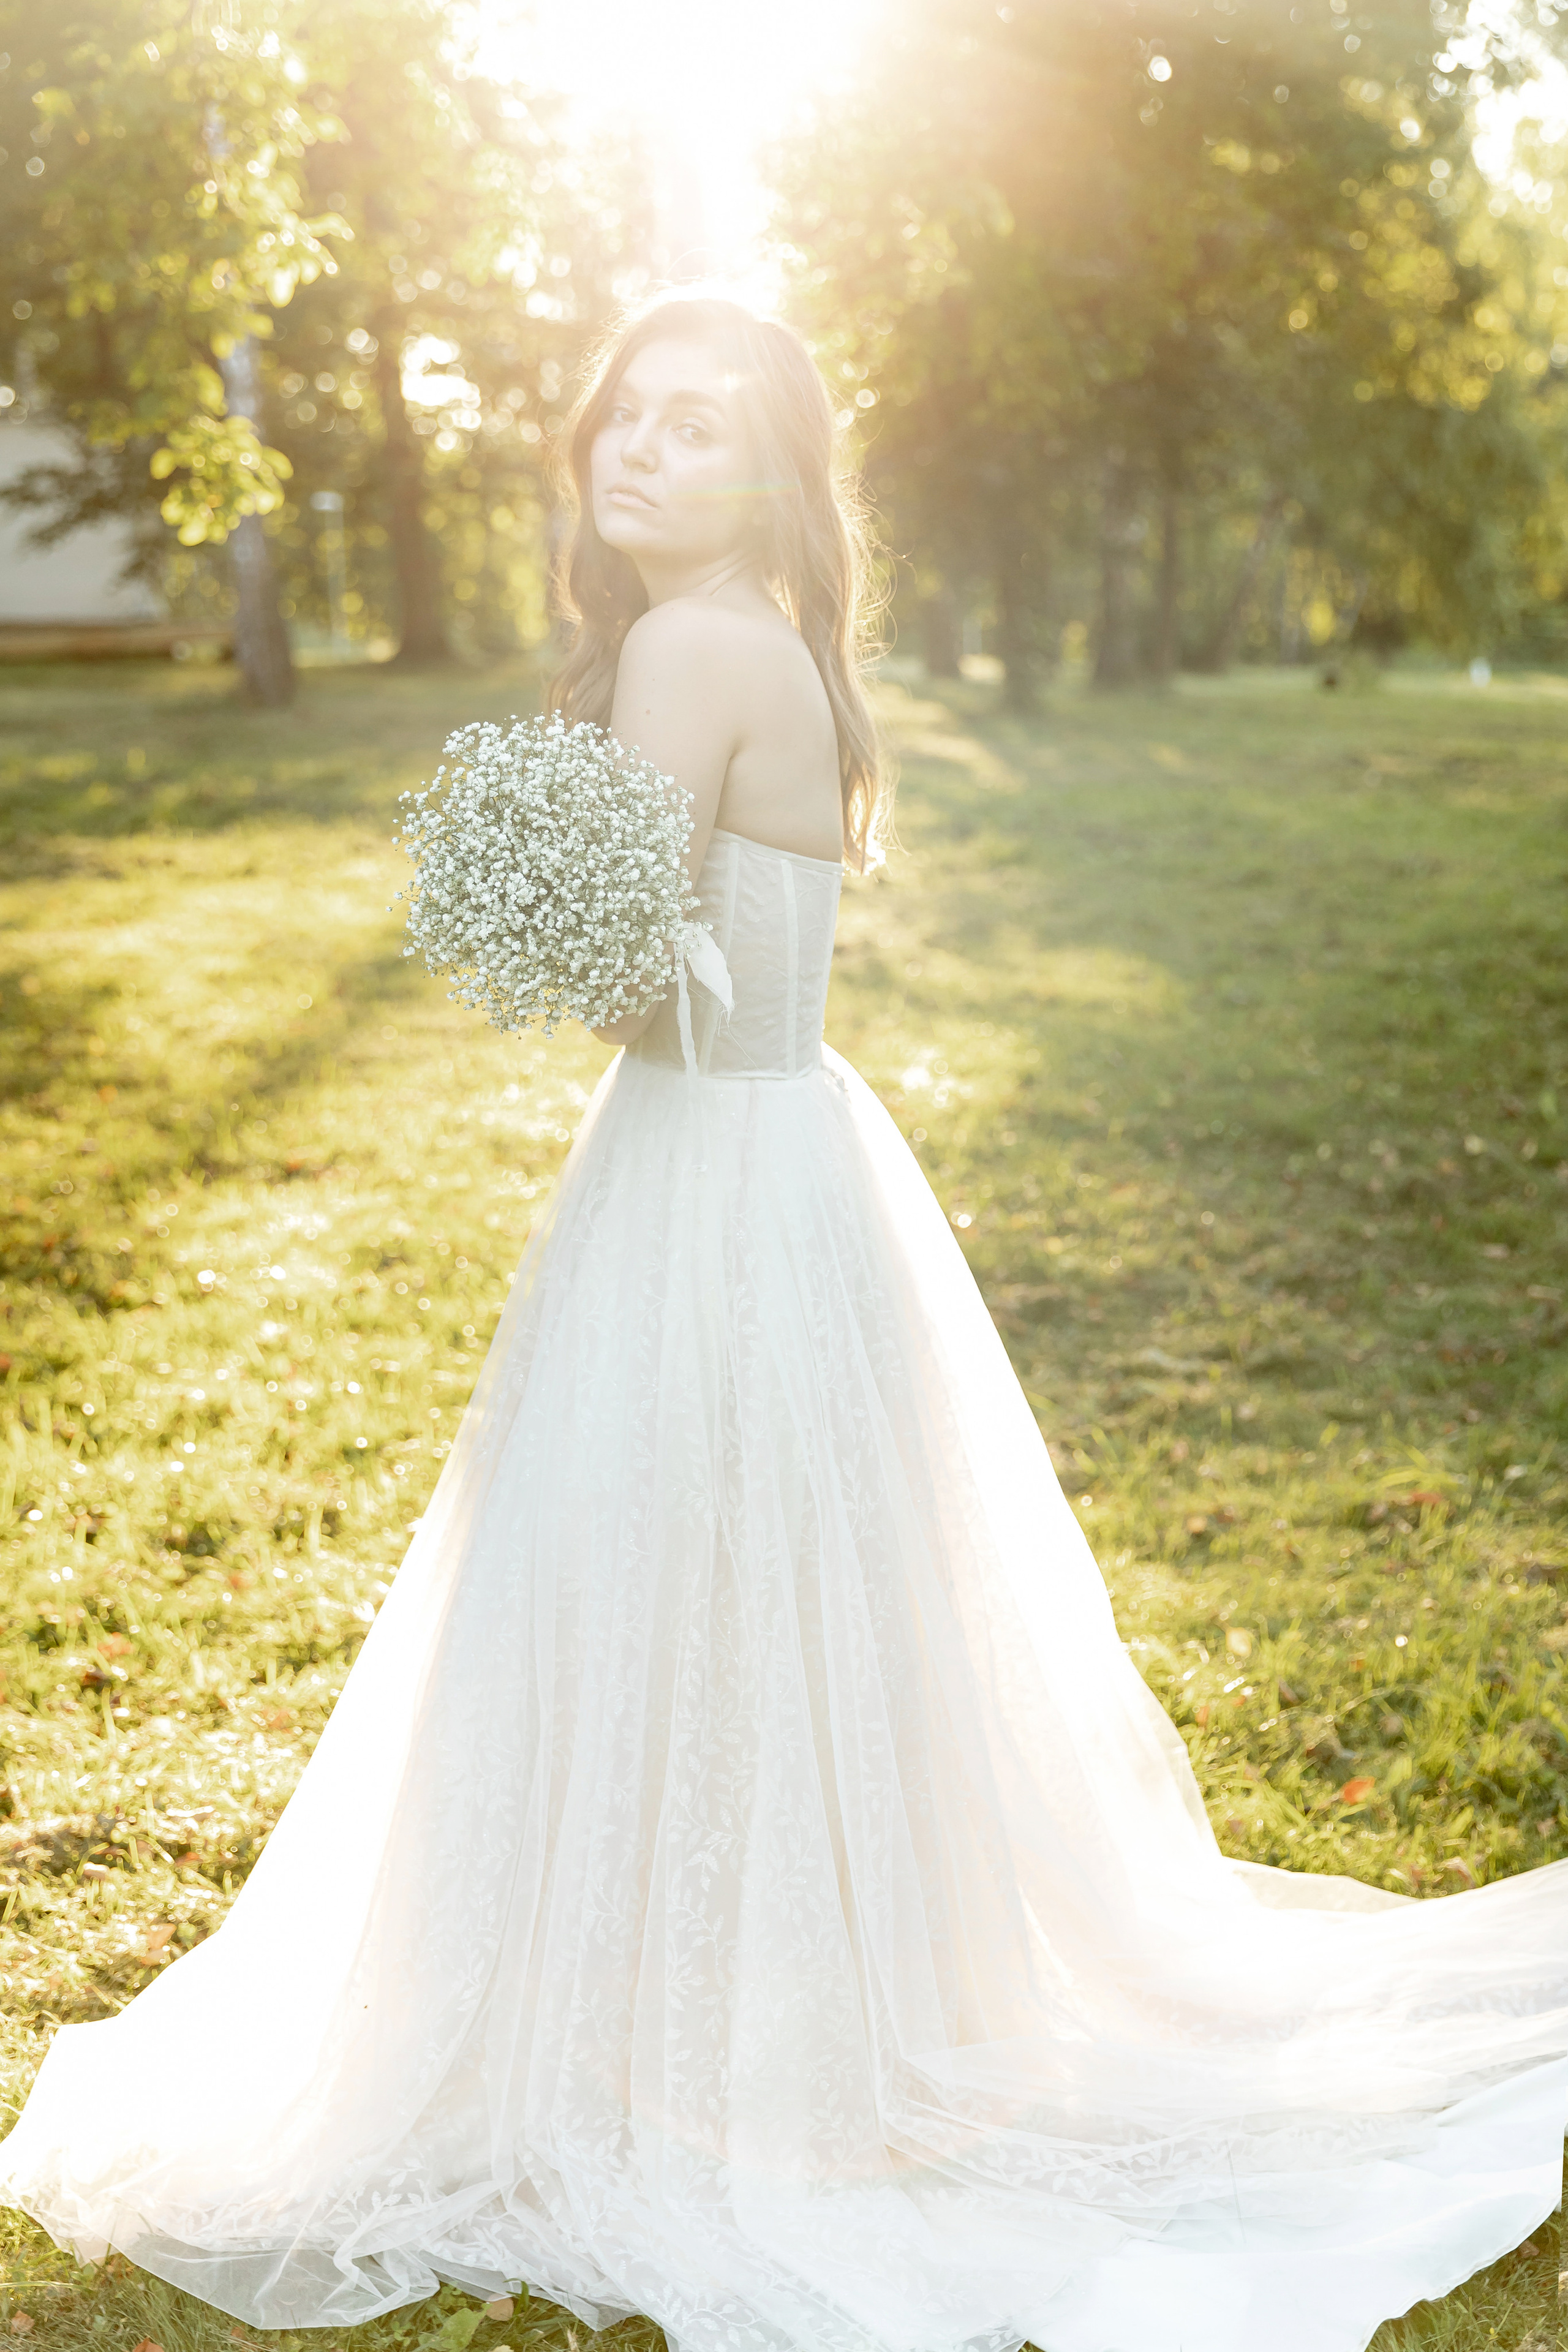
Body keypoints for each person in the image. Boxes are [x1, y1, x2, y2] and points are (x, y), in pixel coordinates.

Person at [1, 293, 1566, 2352]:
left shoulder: (687, 643)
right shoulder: (778, 637)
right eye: (626, 417)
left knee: (662, 1570)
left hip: (707, 1171)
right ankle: (814, 2003)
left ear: (773, 481)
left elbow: (650, 991)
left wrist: (525, 917)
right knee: (785, 1584)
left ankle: (707, 2039)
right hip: (792, 1153)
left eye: (700, 430)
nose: (640, 452)